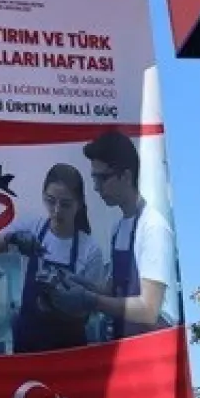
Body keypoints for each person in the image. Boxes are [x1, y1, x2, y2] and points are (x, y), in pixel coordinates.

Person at [0, 163, 106, 353]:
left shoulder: (90, 250)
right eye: (50, 201)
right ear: (43, 196)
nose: (57, 210)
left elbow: (91, 310)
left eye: (65, 204)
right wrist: (11, 238)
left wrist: (64, 305)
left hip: (69, 349)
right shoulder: (32, 229)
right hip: (28, 344)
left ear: (79, 204)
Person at [76, 130, 177, 340]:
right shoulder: (118, 228)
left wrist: (90, 300)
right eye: (94, 178)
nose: (96, 187)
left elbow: (149, 309)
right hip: (128, 343)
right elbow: (112, 290)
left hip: (154, 347)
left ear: (126, 176)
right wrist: (76, 283)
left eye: (103, 178)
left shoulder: (153, 227)